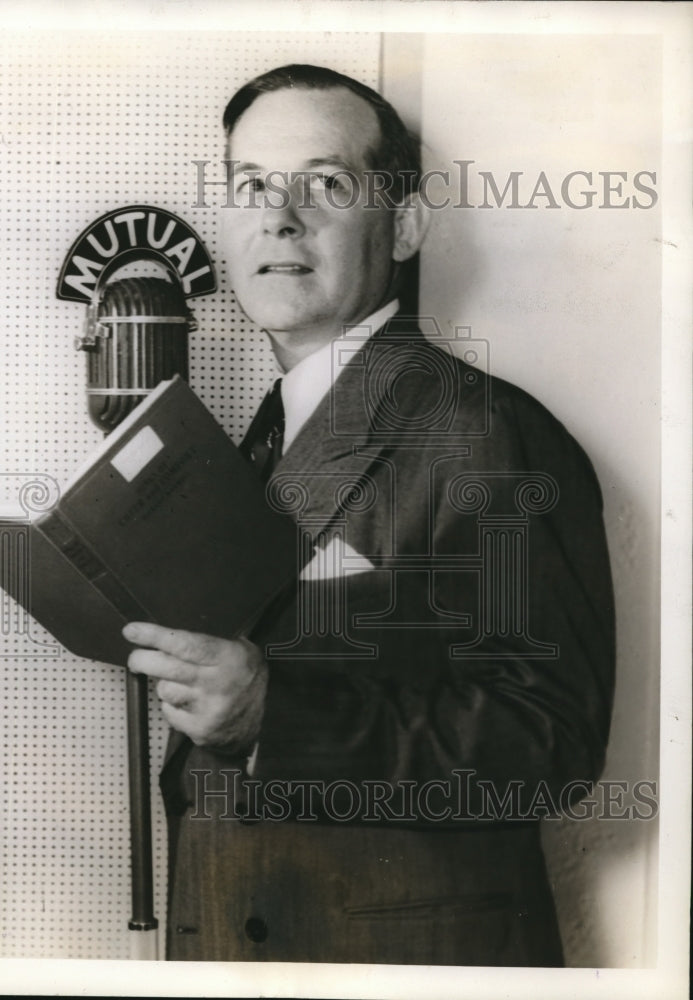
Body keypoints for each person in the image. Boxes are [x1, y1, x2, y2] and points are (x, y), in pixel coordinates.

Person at [122, 64, 615, 966]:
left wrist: (276, 716)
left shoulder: (483, 429)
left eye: (325, 184)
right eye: (251, 186)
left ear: (407, 224)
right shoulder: (266, 433)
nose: (279, 216)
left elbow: (551, 744)